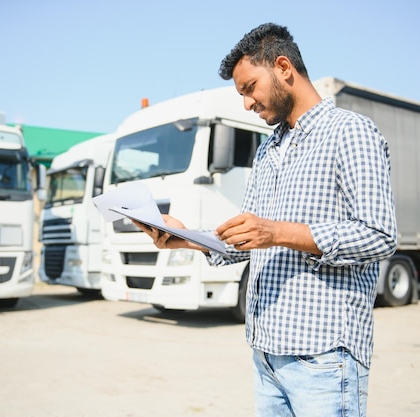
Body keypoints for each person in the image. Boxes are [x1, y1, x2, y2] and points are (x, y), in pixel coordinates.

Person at [134, 23, 397, 417]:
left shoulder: (350, 131)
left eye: (249, 88)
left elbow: (380, 235)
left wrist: (277, 232)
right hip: (266, 357)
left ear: (283, 67)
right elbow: (249, 241)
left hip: (323, 359)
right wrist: (185, 237)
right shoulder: (267, 151)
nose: (246, 103)